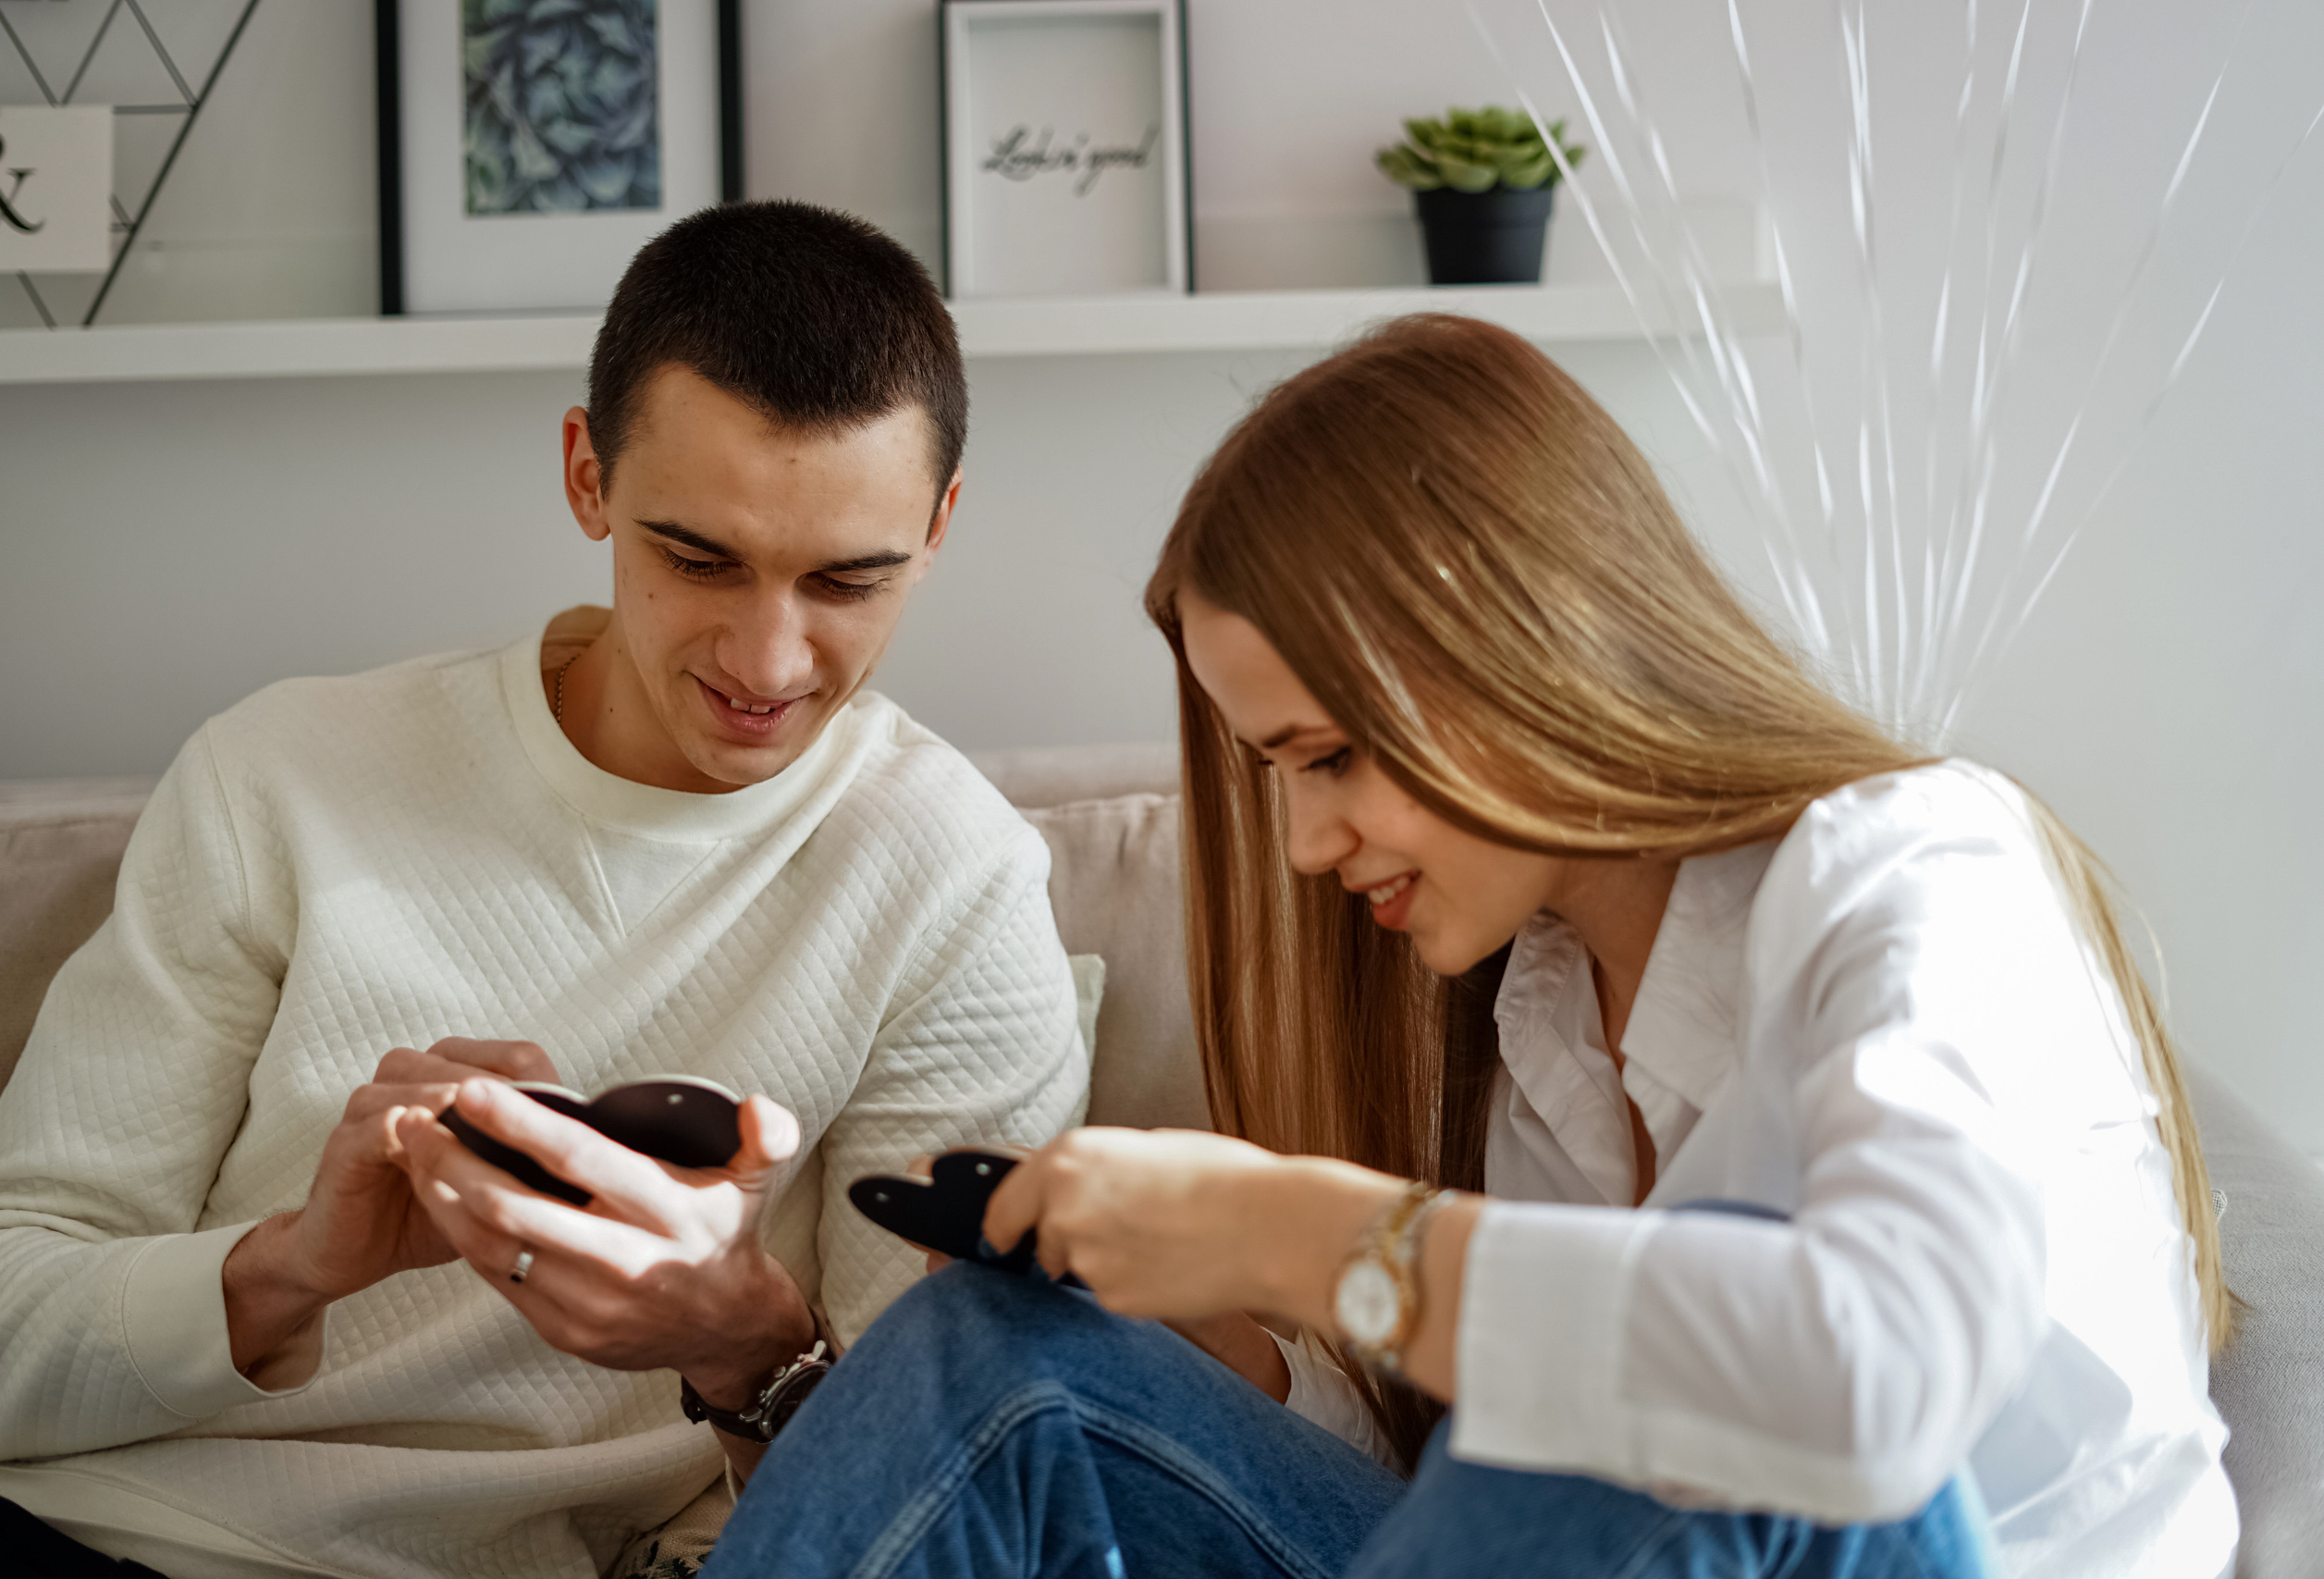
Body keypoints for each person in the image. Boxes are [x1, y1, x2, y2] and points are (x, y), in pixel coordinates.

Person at [699, 314, 2237, 1579]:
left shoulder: (1920, 867)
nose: (1305, 844)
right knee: (1000, 1355)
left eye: (1333, 759)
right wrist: (1195, 1303)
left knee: (1679, 1385)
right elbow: (1472, 1489)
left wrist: (1301, 1228)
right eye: (1278, 774)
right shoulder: (1543, 1018)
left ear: (1519, 650)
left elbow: (1866, 1388)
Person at [0, 201, 1089, 1579]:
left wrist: (747, 1343)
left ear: (939, 526)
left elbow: (943, 1497)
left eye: (851, 579)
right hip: (100, 1529)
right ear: (587, 475)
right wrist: (288, 1269)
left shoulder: (951, 876)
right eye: (698, 559)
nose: (770, 659)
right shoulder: (284, 774)